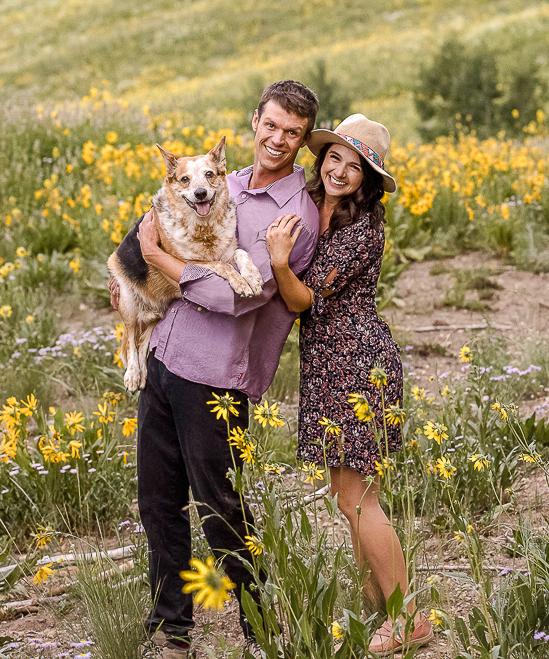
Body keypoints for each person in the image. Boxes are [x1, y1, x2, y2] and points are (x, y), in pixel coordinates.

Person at [110, 80, 320, 655]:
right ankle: (171, 629)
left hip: (217, 377)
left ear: (303, 142)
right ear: (255, 122)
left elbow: (239, 299)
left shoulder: (295, 214)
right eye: (271, 125)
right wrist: (134, 274)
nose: (277, 139)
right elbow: (155, 230)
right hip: (164, 356)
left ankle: (258, 631)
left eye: (292, 133)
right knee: (157, 503)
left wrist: (156, 259)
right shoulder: (215, 185)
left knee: (220, 509)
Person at [266, 114, 432, 657]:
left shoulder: (362, 227)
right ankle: (380, 611)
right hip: (330, 359)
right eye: (334, 157)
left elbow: (302, 299)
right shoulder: (319, 208)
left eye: (354, 166)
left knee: (356, 499)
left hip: (357, 359)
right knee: (352, 496)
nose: (339, 170)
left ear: (368, 178)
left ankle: (408, 618)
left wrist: (275, 261)